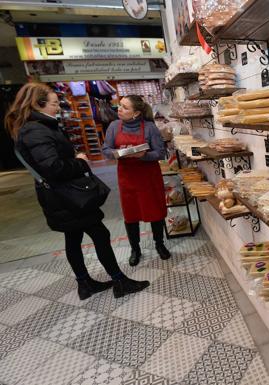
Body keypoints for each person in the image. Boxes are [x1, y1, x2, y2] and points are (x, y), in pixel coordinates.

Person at [5, 82, 149, 299]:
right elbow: (53, 167)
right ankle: (119, 280)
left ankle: (85, 283)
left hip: (59, 196)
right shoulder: (36, 130)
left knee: (72, 238)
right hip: (68, 196)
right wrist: (79, 161)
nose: (58, 107)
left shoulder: (34, 127)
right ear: (38, 104)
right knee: (100, 234)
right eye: (54, 103)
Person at [103, 95, 171, 266]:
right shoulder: (113, 126)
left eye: (125, 107)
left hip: (148, 177)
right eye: (120, 105)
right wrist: (117, 153)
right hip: (127, 177)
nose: (119, 109)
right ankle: (135, 249)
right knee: (131, 214)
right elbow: (105, 150)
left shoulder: (149, 128)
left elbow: (161, 153)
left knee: (155, 212)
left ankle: (159, 244)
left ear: (136, 113)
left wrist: (144, 155)